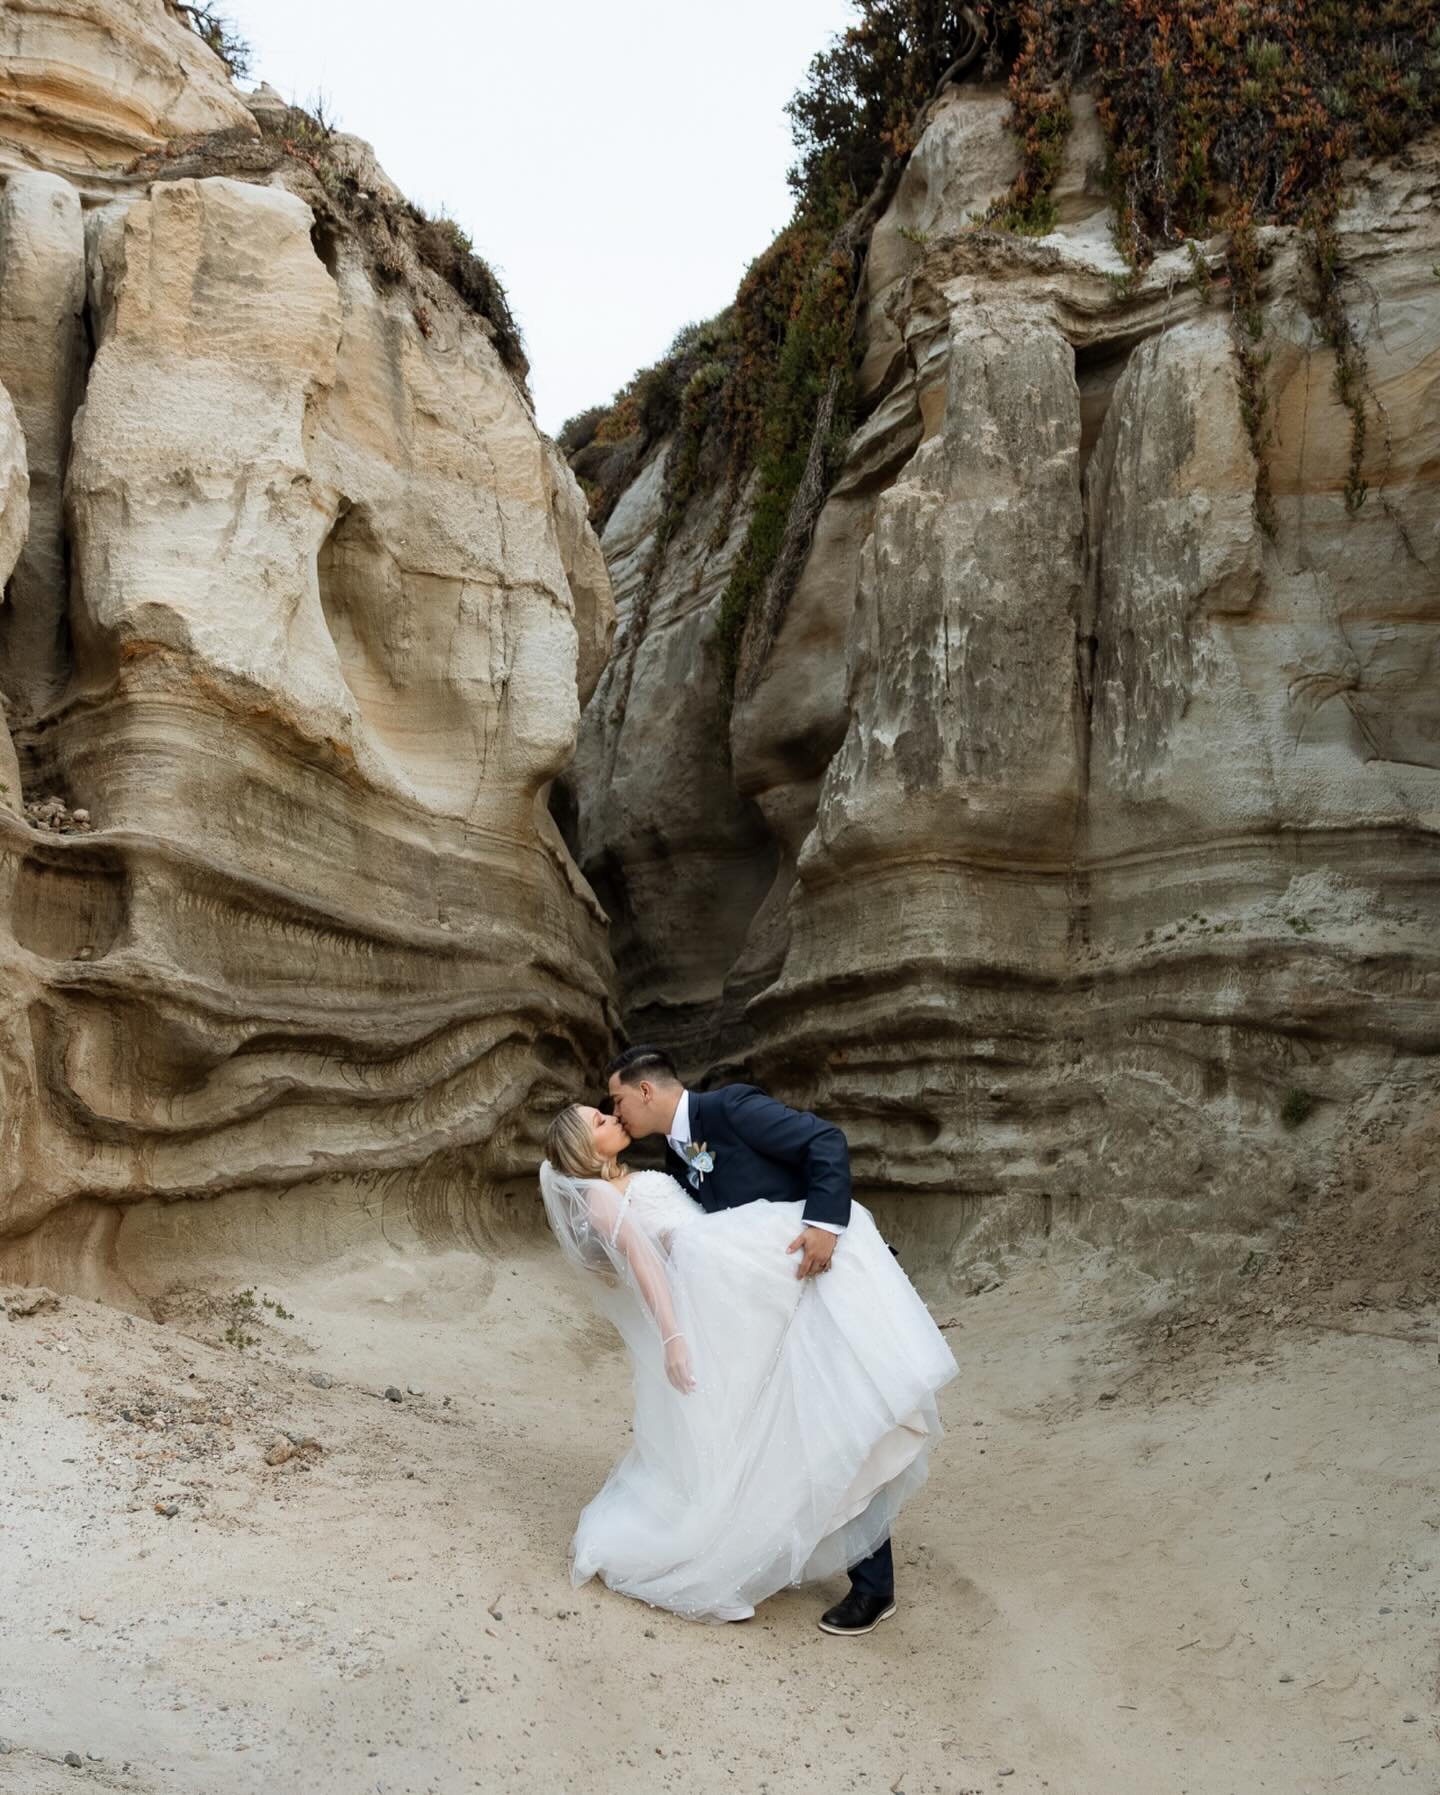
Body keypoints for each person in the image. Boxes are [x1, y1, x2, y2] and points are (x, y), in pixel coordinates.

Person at [538, 1048, 957, 1633]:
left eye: (615, 1102)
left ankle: (872, 1584)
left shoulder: (732, 1109)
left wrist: (824, 1226)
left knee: (847, 1411)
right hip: (748, 1303)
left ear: (645, 1092)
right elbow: (663, 1249)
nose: (615, 1113)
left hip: (803, 1269)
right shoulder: (669, 1160)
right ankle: (821, 1566)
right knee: (796, 1427)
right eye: (603, 1114)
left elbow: (825, 1143)